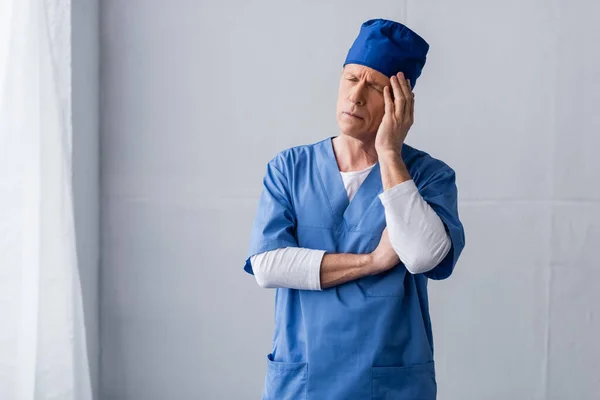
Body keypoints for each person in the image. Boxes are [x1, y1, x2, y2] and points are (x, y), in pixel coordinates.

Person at [243, 18, 466, 400]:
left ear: (400, 102)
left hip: (388, 384)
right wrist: (373, 262)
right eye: (351, 79)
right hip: (304, 379)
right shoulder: (290, 168)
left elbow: (423, 255)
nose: (356, 96)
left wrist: (389, 154)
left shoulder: (429, 177)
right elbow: (267, 265)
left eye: (375, 87)